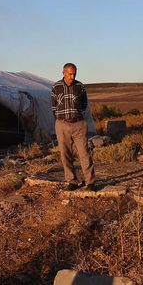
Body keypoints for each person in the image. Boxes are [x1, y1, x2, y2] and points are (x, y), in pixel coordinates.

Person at [51, 63, 96, 191]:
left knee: (84, 153)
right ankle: (72, 181)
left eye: (74, 74)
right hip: (62, 124)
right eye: (70, 74)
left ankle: (90, 182)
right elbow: (54, 106)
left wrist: (75, 115)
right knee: (65, 154)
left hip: (78, 124)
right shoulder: (56, 87)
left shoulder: (80, 86)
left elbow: (84, 104)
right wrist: (62, 119)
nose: (72, 76)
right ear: (63, 73)